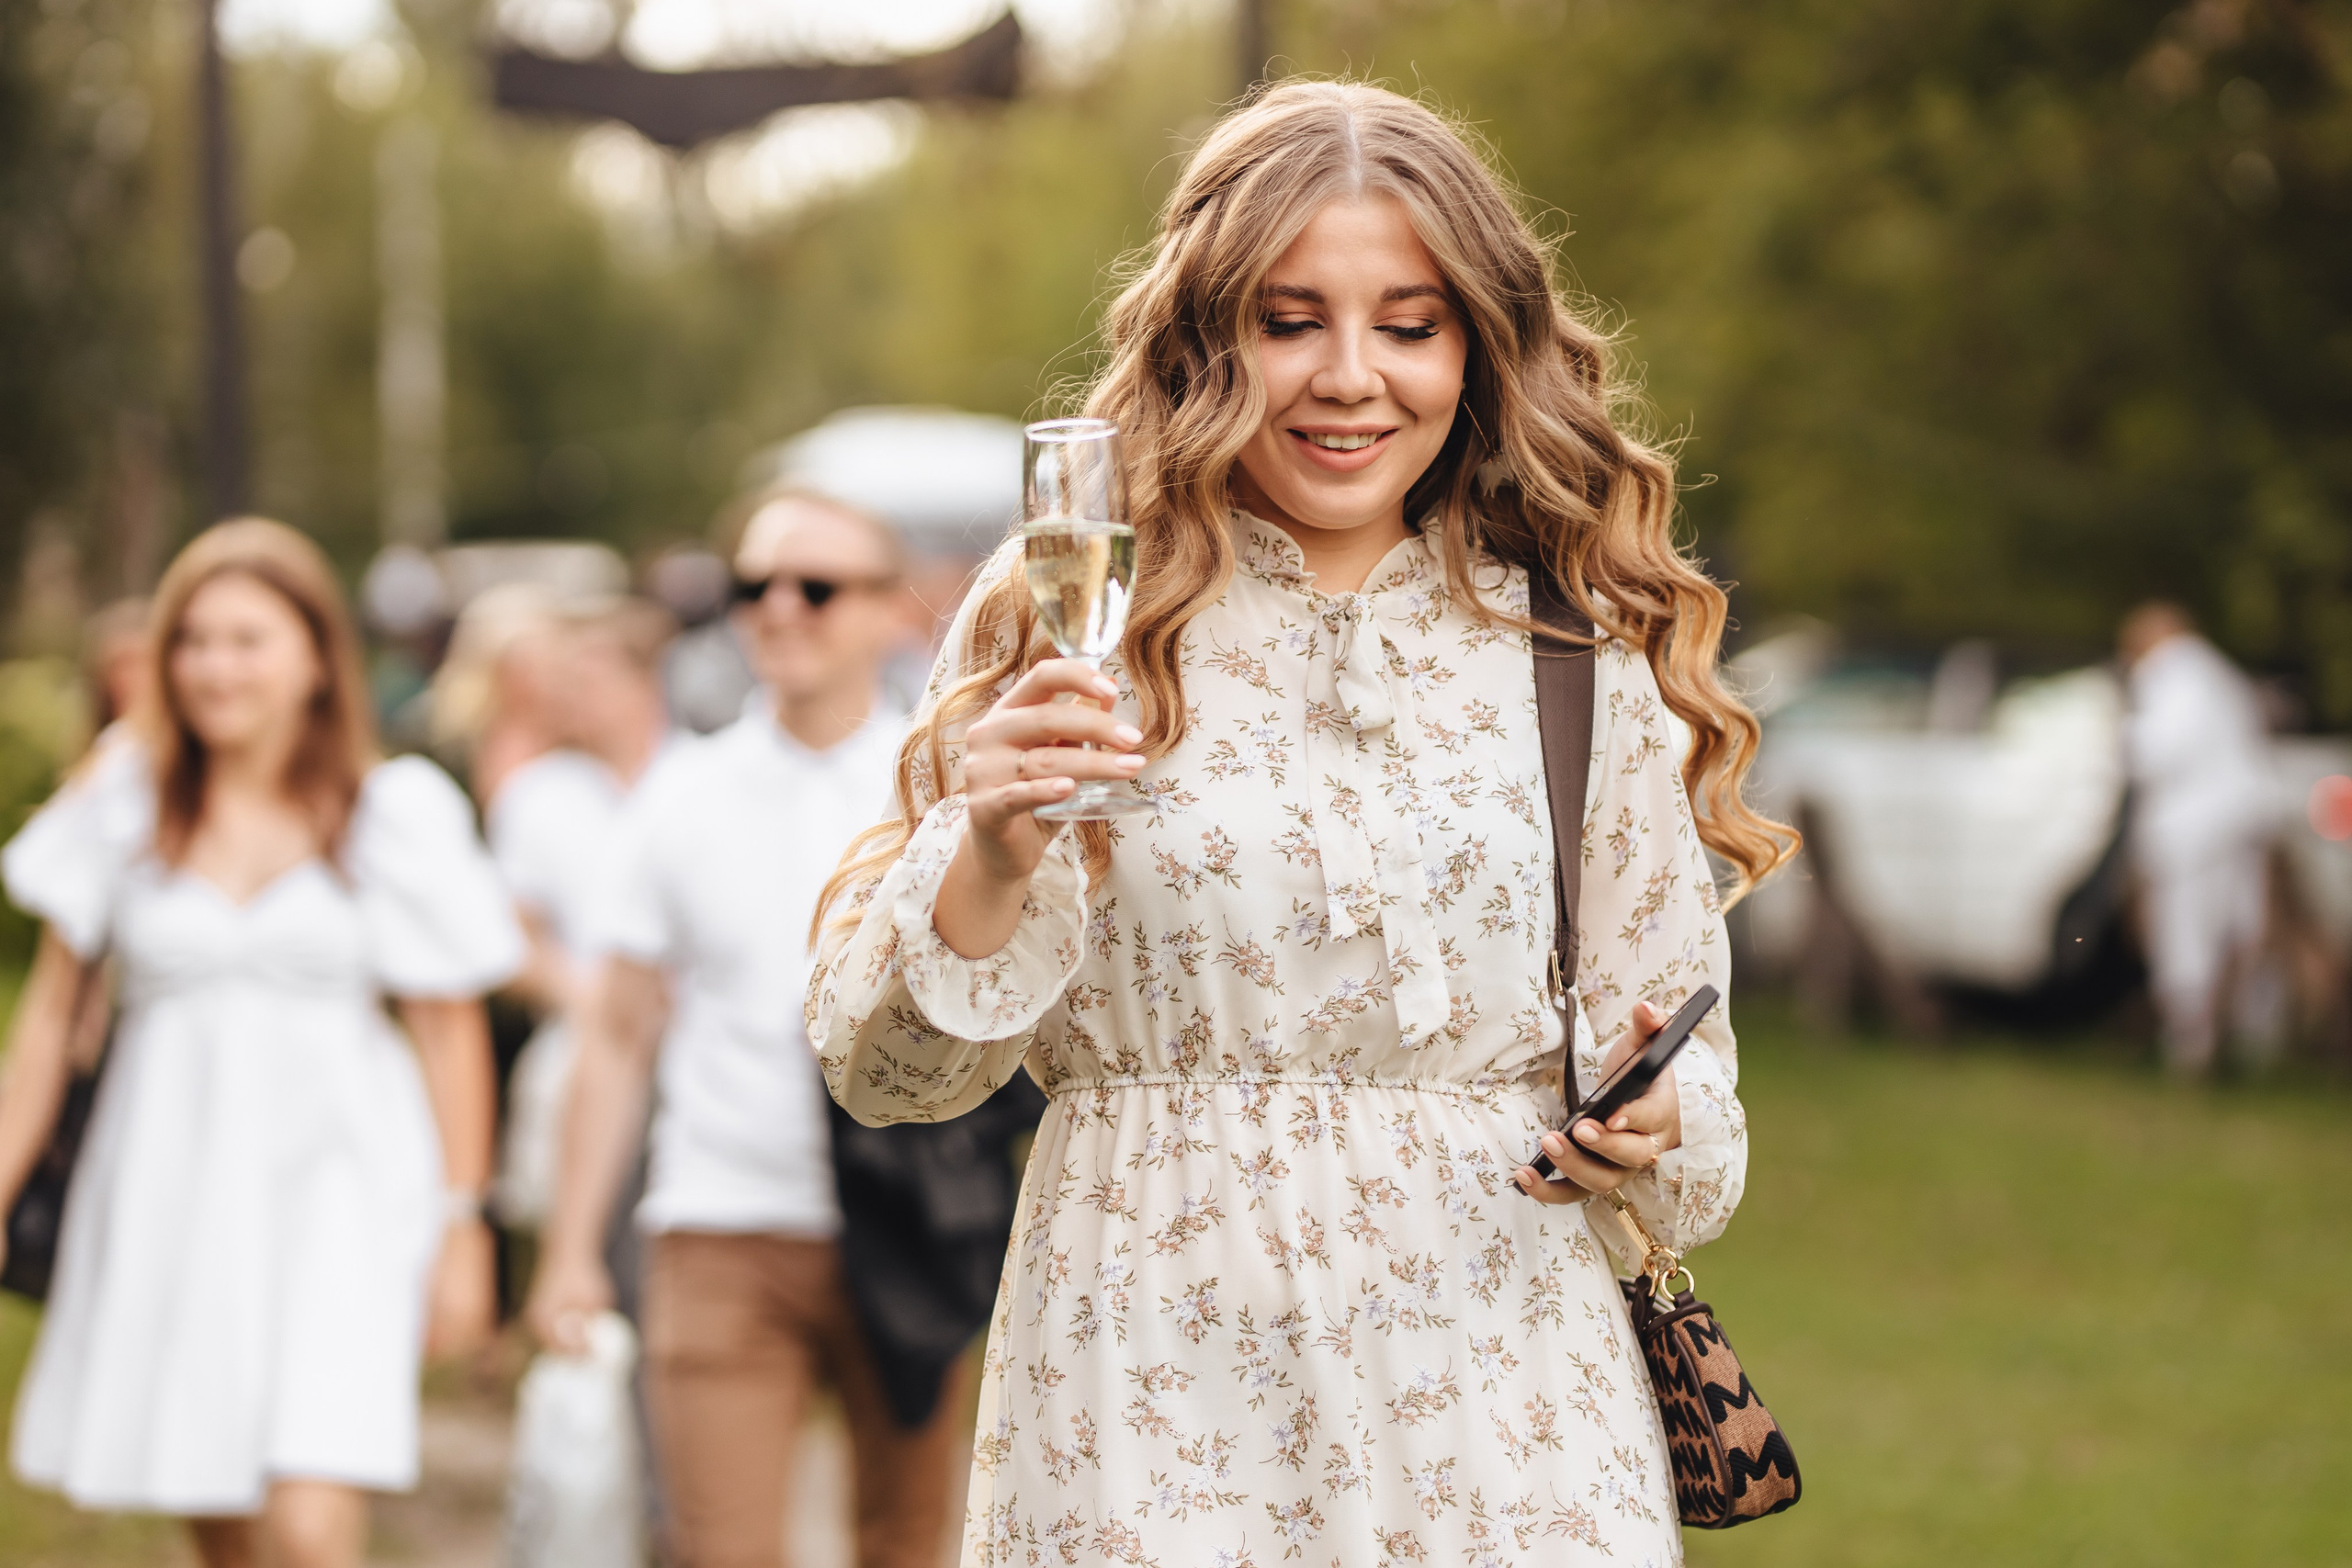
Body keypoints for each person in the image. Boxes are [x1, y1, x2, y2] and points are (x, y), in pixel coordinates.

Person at [808, 82, 1794, 1564]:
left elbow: (1688, 1089)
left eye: (1409, 325)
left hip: (1503, 1394)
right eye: (1289, 320)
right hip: (1152, 1391)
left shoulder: (1573, 652)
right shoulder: (1073, 613)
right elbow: (890, 1073)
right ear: (1206, 338)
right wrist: (993, 846)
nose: (1351, 377)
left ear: (1478, 344)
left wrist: (1648, 1121)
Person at [528, 491, 1040, 1568]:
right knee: (717, 1549)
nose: (780, 610)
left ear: (886, 613)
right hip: (718, 1224)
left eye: (815, 587)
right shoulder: (680, 794)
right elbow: (617, 1037)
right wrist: (571, 1249)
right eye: (752, 587)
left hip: (912, 1221)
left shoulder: (942, 783)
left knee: (908, 1542)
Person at [0, 518, 522, 1568]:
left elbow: (446, 1033)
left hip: (339, 1191)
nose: (213, 667)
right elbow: (52, 1020)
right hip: (165, 1184)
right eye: (192, 640)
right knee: (220, 1514)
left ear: (316, 659)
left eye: (247, 639)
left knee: (309, 1525)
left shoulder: (390, 814)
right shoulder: (125, 799)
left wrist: (464, 1227)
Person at [489, 595, 680, 1234]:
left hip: (695, 1042)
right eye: (566, 683)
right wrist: (583, 994)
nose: (574, 698)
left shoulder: (700, 777)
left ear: (643, 680)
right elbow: (513, 934)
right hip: (581, 1036)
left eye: (590, 679)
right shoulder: (536, 794)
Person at [2119, 601, 2277, 1074]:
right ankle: (2255, 1043)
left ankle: (2190, 1051)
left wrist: (2122, 738)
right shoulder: (2217, 670)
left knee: (2188, 938)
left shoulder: (2170, 673)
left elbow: (2161, 750)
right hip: (2244, 819)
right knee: (2243, 931)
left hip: (2195, 830)